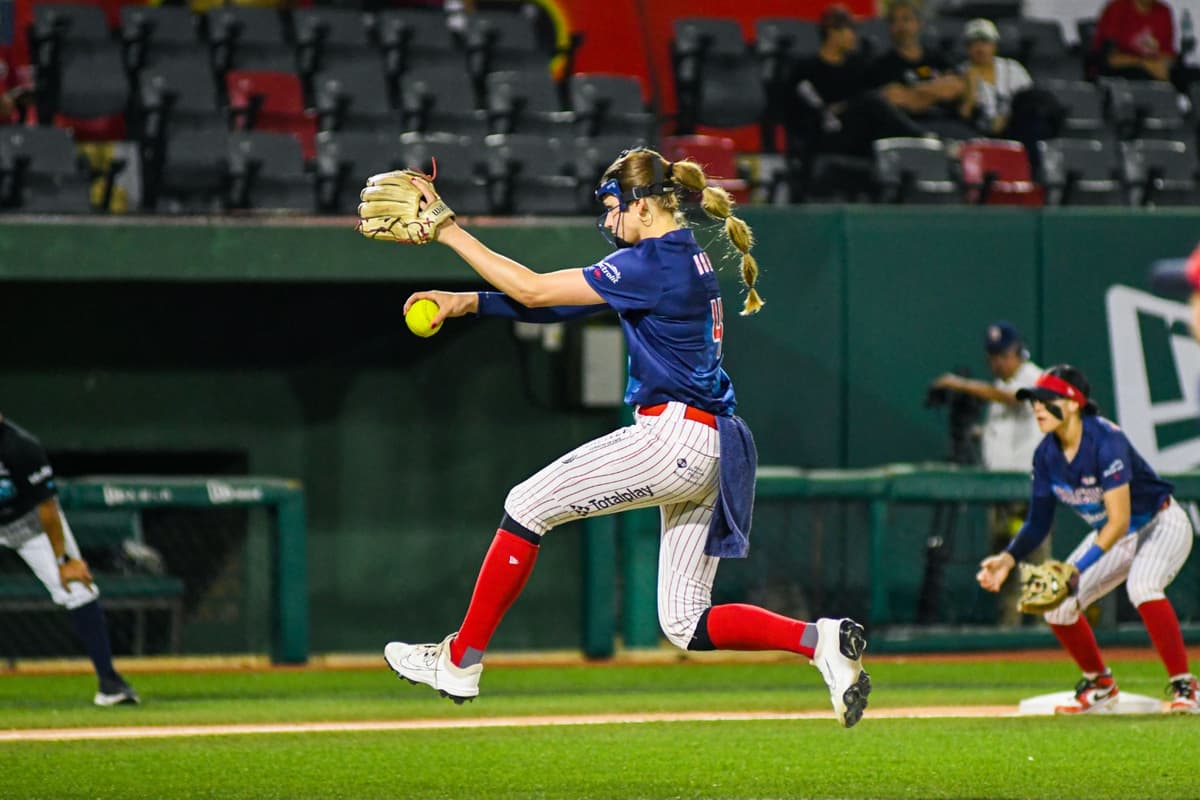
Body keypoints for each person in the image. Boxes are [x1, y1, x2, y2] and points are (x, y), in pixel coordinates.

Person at [381, 147, 872, 728]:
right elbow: (559, 307)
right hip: (716, 447)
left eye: (615, 206)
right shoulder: (678, 255)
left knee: (525, 505)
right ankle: (819, 641)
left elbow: (534, 290)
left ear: (644, 206)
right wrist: (468, 302)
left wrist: (448, 231)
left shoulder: (654, 263)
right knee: (685, 622)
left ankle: (461, 660)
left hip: (674, 437)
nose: (608, 219)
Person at [975, 365, 1198, 714]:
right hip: (1115, 534)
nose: (1037, 408)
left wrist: (1075, 569)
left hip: (1160, 523)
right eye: (1034, 401)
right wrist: (1007, 558)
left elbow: (1119, 520)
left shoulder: (1106, 441)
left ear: (1073, 402)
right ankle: (1100, 685)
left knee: (1143, 586)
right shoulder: (1045, 455)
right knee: (1058, 606)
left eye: (1046, 400)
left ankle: (1187, 687)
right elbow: (1037, 522)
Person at [0, 414, 139, 706]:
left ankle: (109, 683)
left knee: (77, 587)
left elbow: (47, 507)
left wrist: (65, 560)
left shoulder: (20, 446)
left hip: (31, 525)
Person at [931, 322, 1046, 626]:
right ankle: (1008, 634)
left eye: (1003, 355)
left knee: (1036, 567)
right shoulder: (998, 386)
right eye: (992, 357)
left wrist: (960, 384)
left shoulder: (1034, 376)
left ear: (1017, 352)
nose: (997, 362)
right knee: (1003, 567)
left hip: (1028, 492)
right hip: (1000, 492)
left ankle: (1045, 638)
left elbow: (1014, 398)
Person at [865, 1, 967, 127]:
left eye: (906, 19)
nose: (901, 26)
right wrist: (937, 89)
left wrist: (913, 92)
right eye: (894, 21)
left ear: (919, 23)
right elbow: (892, 99)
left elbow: (956, 86)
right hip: (906, 128)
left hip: (947, 123)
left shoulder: (937, 58)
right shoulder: (881, 66)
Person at [956, 19, 1033, 136]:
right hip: (977, 132)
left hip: (1016, 128)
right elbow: (963, 115)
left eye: (985, 42)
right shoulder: (960, 72)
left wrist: (1006, 119)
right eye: (974, 43)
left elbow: (1029, 101)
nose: (980, 49)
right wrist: (971, 90)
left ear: (995, 45)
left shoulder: (1013, 68)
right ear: (967, 48)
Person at [1091, 0, 1178, 83]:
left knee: (1180, 73)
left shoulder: (1163, 11)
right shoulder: (1117, 8)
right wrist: (1145, 64)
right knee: (1141, 74)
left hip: (1152, 68)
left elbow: (1168, 54)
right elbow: (1110, 59)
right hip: (1119, 71)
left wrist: (1163, 66)